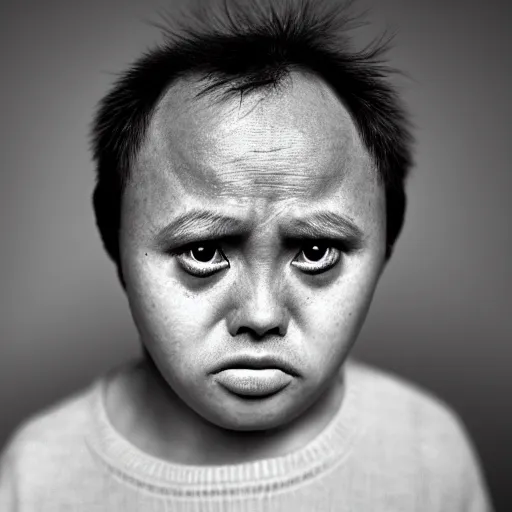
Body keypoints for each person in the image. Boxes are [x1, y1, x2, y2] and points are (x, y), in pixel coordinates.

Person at [0, 0, 494, 510]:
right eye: (203, 251)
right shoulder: (38, 475)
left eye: (315, 251)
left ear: (387, 242)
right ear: (114, 239)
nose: (261, 316)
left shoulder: (427, 452)